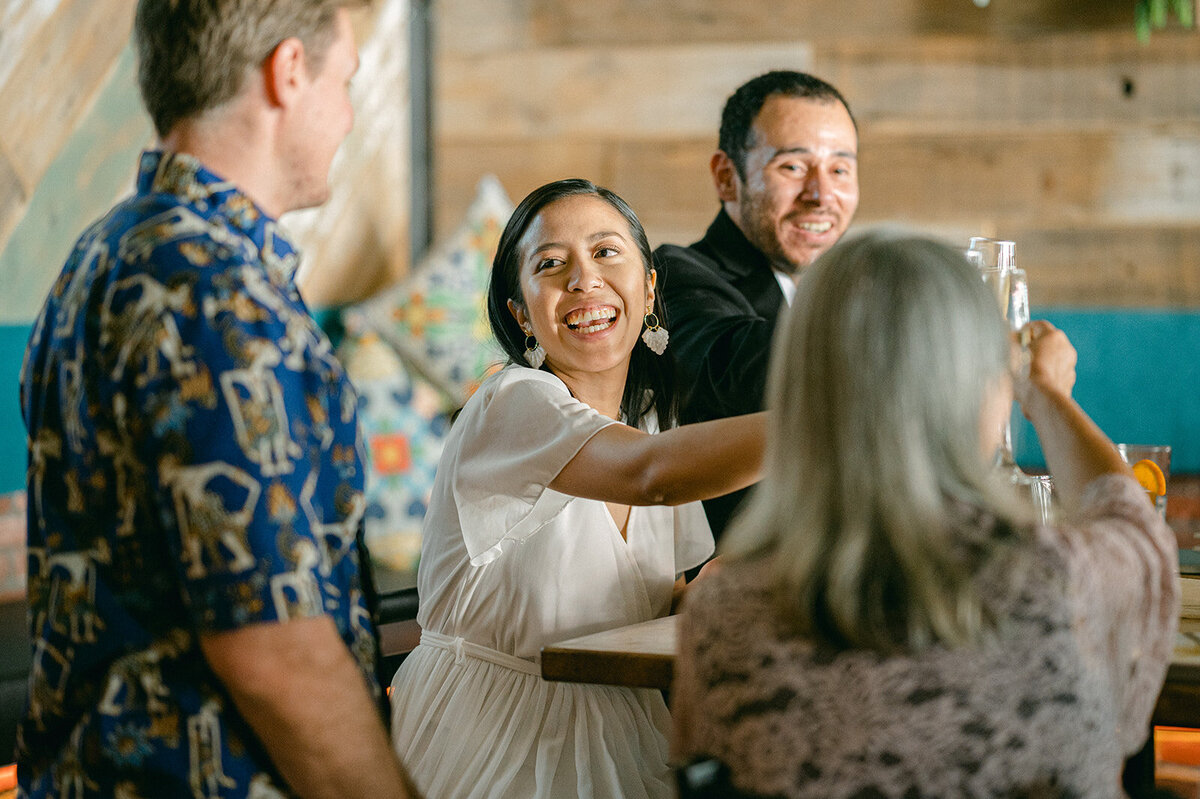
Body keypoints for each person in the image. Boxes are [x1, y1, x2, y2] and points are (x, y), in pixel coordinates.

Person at [17, 2, 419, 796]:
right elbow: (275, 648)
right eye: (344, 82)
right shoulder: (217, 293)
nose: (344, 118)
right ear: (289, 71)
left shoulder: (98, 255)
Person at [671, 231, 1179, 797]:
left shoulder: (721, 613)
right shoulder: (1056, 580)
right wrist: (1044, 391)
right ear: (979, 388)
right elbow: (1133, 524)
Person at [389, 179, 766, 799]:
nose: (584, 279)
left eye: (606, 252)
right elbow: (652, 474)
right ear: (520, 314)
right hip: (497, 734)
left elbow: (649, 597)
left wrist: (714, 587)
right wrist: (829, 418)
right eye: (551, 264)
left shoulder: (651, 419)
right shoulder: (511, 402)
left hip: (621, 721)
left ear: (648, 290)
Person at [655, 70, 859, 540]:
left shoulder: (834, 288)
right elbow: (734, 376)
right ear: (728, 178)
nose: (821, 195)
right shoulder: (677, 274)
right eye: (792, 167)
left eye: (840, 169)